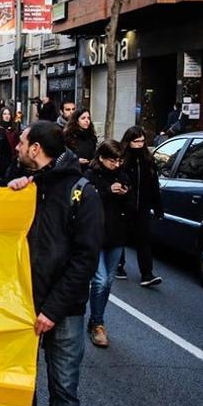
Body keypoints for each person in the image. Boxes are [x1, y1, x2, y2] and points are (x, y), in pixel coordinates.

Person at [6, 121, 102, 406]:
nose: (16, 147)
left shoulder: (82, 192)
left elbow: (85, 259)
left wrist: (53, 309)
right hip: (22, 304)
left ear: (35, 149)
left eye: (22, 142)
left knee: (64, 389)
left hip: (63, 311)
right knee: (22, 380)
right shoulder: (25, 185)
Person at [84, 140, 131, 348]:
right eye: (113, 160)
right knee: (100, 280)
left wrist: (125, 194)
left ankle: (97, 318)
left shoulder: (123, 175)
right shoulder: (89, 177)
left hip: (117, 234)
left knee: (109, 280)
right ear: (101, 158)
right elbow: (85, 204)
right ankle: (97, 323)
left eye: (119, 160)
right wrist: (107, 192)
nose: (117, 164)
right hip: (95, 234)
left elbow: (132, 205)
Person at [117, 126, 162, 285]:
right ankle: (118, 265)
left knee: (143, 238)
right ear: (129, 142)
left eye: (142, 141)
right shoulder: (121, 159)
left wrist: (157, 205)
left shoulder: (147, 160)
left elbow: (153, 183)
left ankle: (147, 273)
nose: (140, 145)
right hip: (123, 205)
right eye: (136, 142)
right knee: (120, 236)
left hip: (142, 205)